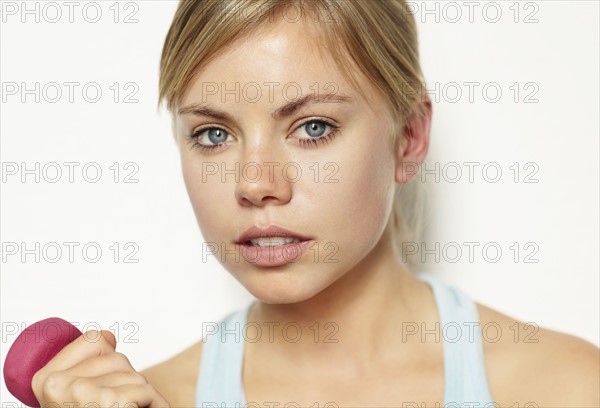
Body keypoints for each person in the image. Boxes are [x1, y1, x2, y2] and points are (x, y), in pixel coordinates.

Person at [31, 1, 599, 407]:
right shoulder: (151, 401)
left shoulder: (566, 389)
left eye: (314, 127)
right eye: (212, 135)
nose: (255, 183)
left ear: (409, 137)